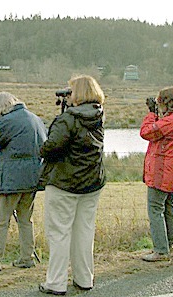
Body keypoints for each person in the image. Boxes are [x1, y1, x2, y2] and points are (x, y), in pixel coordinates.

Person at [38, 75, 105, 295]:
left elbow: (50, 148)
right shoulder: (98, 115)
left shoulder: (68, 119)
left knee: (59, 233)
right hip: (91, 182)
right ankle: (84, 278)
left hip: (64, 183)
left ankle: (56, 282)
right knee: (84, 231)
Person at [0, 92, 47, 273]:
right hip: (33, 177)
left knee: (1, 221)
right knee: (25, 220)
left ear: (0, 107)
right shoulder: (34, 118)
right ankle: (26, 257)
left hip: (13, 179)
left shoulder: (9, 120)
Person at [140, 87, 173, 262]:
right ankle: (168, 245)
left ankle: (161, 250)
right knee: (169, 206)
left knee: (155, 209)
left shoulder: (171, 121)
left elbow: (146, 132)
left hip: (161, 170)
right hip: (171, 169)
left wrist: (151, 115)